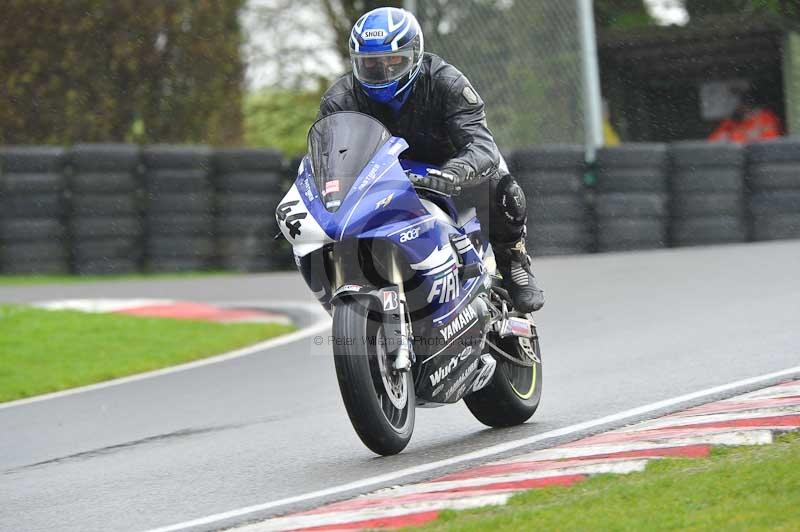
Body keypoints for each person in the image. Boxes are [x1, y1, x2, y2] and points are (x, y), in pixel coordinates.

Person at [317, 7, 544, 313]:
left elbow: (481, 144)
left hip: (448, 171)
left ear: (414, 55)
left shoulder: (446, 82)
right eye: (371, 64)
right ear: (356, 62)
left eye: (393, 61)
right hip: (384, 179)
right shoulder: (340, 99)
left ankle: (514, 262)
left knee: (503, 186)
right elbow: (327, 157)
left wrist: (456, 170)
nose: (382, 71)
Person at [708, 88, 782, 144]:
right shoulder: (731, 121)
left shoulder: (765, 117)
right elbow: (712, 143)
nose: (738, 106)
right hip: (735, 158)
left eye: (743, 103)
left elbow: (772, 143)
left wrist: (755, 140)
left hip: (759, 160)